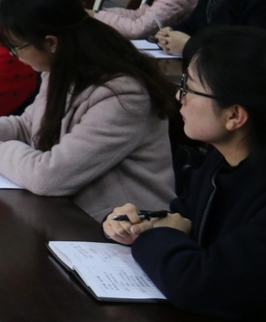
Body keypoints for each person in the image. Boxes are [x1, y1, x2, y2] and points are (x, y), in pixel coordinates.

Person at [0, 0, 176, 221]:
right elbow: (29, 126)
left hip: (125, 229)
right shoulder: (59, 68)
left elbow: (48, 176)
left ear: (51, 42)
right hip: (70, 215)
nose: (14, 56)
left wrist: (0, 152)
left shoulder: (123, 95)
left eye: (17, 47)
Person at [104, 26, 266, 319]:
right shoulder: (220, 160)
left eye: (189, 88)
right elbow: (184, 217)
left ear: (234, 115)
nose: (180, 96)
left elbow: (199, 285)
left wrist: (159, 235)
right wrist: (141, 224)